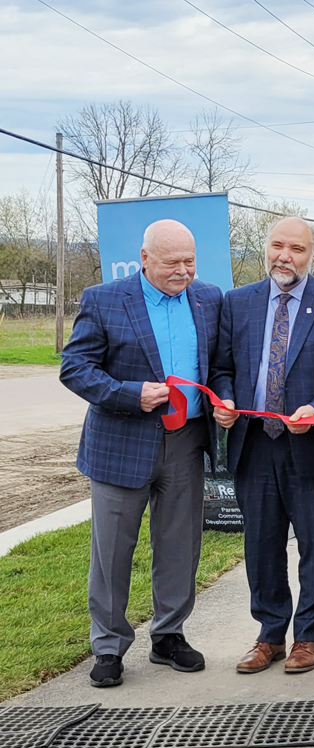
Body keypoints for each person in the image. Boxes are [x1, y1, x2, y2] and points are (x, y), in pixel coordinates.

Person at [59, 219, 222, 688]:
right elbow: (76, 368)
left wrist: (222, 398)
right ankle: (108, 646)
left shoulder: (208, 299)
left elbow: (221, 364)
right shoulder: (104, 298)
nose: (183, 271)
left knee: (179, 544)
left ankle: (169, 635)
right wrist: (131, 393)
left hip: (186, 441)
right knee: (112, 550)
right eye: (172, 263)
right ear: (145, 258)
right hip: (120, 444)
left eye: (190, 261)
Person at [210, 217, 314, 675]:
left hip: (311, 447)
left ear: (313, 255)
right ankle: (269, 634)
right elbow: (223, 366)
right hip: (254, 445)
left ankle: (309, 637)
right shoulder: (238, 303)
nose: (284, 256)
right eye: (277, 246)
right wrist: (225, 398)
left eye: (296, 249)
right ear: (265, 248)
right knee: (261, 545)